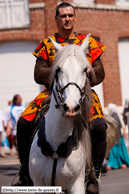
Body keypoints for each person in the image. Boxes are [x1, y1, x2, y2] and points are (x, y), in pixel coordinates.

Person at [14, 3, 107, 194]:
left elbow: (100, 71)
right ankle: (25, 172)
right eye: (63, 16)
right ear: (56, 19)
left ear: (74, 17)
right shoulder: (47, 44)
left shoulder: (87, 43)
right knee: (23, 123)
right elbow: (39, 74)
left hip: (83, 93)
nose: (67, 19)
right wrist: (61, 69)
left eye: (70, 15)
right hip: (52, 93)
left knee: (99, 127)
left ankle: (93, 177)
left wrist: (83, 74)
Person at [107, 103, 129, 170]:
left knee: (117, 151)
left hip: (117, 137)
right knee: (118, 151)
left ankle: (119, 164)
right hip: (118, 137)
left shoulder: (114, 116)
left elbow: (116, 127)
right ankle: (119, 163)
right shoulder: (115, 115)